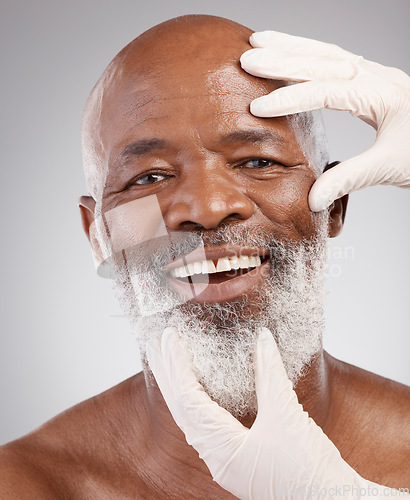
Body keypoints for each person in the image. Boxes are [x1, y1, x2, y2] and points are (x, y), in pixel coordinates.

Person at [0, 14, 409, 499]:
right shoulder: (25, 484)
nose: (209, 208)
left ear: (335, 204)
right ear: (100, 239)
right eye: (149, 177)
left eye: (259, 162)